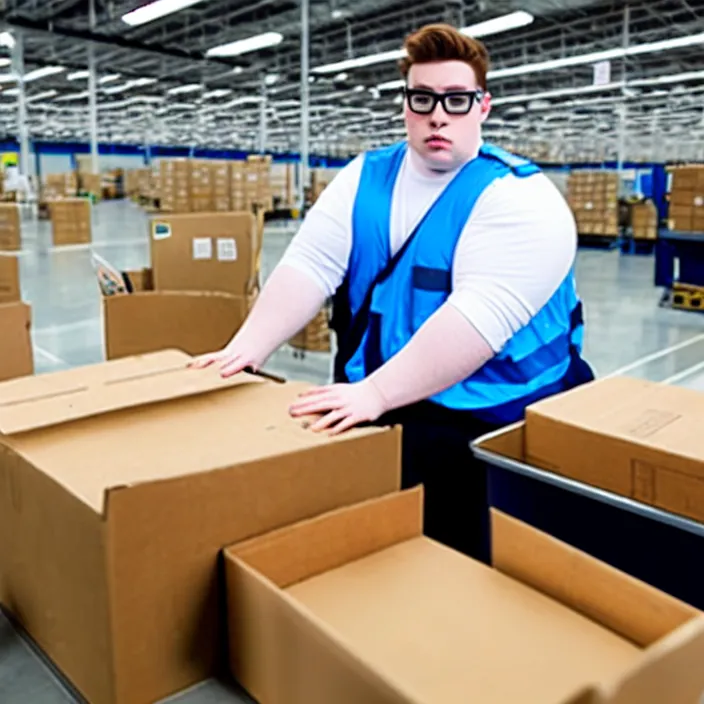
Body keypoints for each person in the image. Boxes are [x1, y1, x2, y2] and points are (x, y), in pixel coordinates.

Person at [191, 23, 594, 562]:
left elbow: (477, 321)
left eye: (456, 100)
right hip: (378, 396)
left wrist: (375, 396)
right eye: (422, 98)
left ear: (483, 107)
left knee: (454, 561)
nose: (438, 115)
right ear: (405, 103)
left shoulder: (522, 201)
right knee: (367, 546)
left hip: (489, 418)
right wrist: (247, 350)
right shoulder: (365, 177)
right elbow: (310, 263)